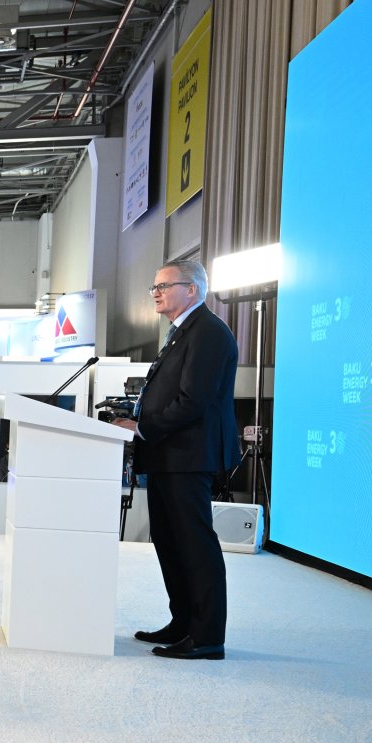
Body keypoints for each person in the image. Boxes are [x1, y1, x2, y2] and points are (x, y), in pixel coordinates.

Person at [112, 259, 239, 660]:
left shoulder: (208, 332)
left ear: (193, 289)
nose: (156, 293)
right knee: (170, 543)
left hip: (189, 456)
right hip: (168, 455)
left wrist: (142, 428)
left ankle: (207, 637)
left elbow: (193, 401)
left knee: (194, 545)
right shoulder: (182, 332)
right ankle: (183, 622)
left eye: (164, 286)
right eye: (154, 287)